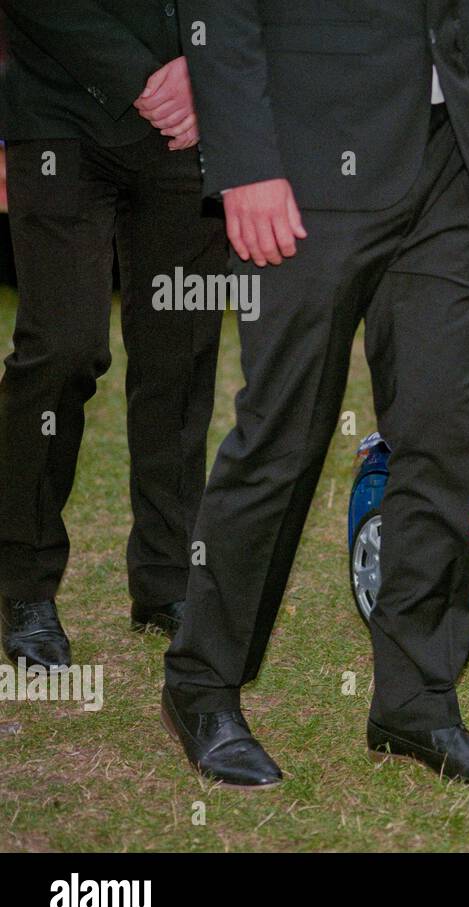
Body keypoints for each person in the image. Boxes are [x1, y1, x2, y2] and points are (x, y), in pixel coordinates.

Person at [162, 0, 469, 791]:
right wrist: (245, 161)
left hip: (446, 163)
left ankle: (417, 698)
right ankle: (202, 684)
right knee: (283, 437)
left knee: (442, 436)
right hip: (300, 161)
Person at [0, 1, 225, 669]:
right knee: (63, 348)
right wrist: (145, 78)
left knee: (179, 352)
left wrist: (206, 67)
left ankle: (166, 578)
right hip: (60, 111)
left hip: (194, 123)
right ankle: (24, 583)